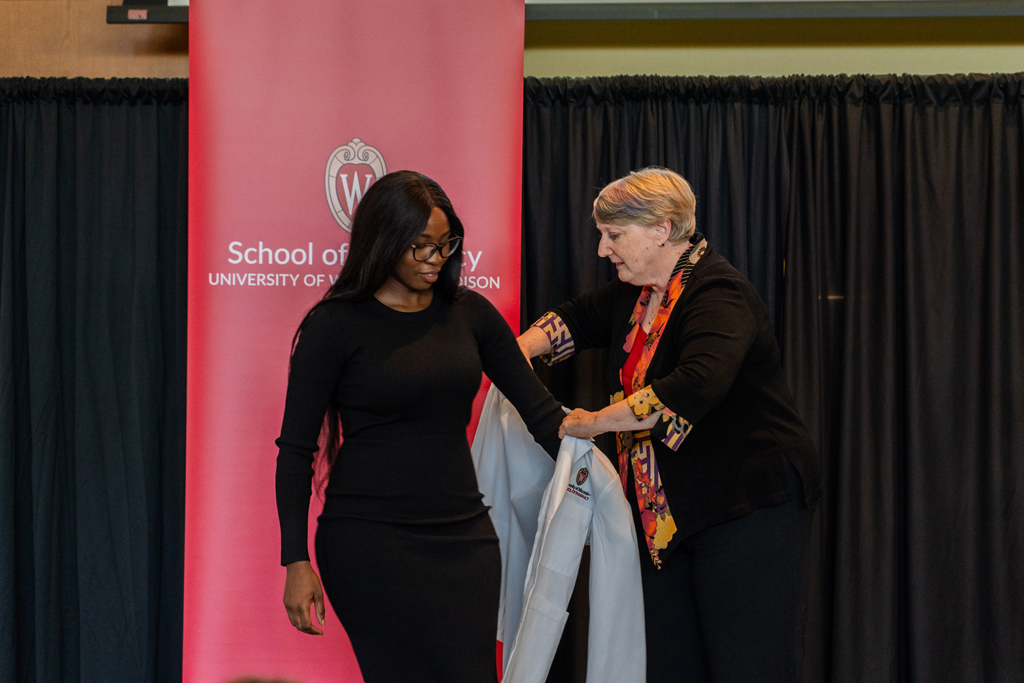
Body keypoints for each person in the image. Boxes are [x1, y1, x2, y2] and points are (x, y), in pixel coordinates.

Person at [517, 167, 822, 683]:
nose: (601, 249)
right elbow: (572, 320)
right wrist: (517, 355)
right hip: (668, 517)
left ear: (662, 229)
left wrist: (591, 423)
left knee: (747, 665)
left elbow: (695, 384)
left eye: (614, 235)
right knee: (672, 663)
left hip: (746, 507)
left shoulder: (720, 293)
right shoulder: (633, 293)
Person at [275, 171, 565, 682]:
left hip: (464, 541)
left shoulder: (470, 314)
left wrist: (601, 446)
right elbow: (296, 451)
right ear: (383, 241)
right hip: (370, 545)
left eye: (445, 244)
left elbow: (541, 413)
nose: (437, 259)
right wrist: (295, 561)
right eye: (421, 246)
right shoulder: (334, 326)